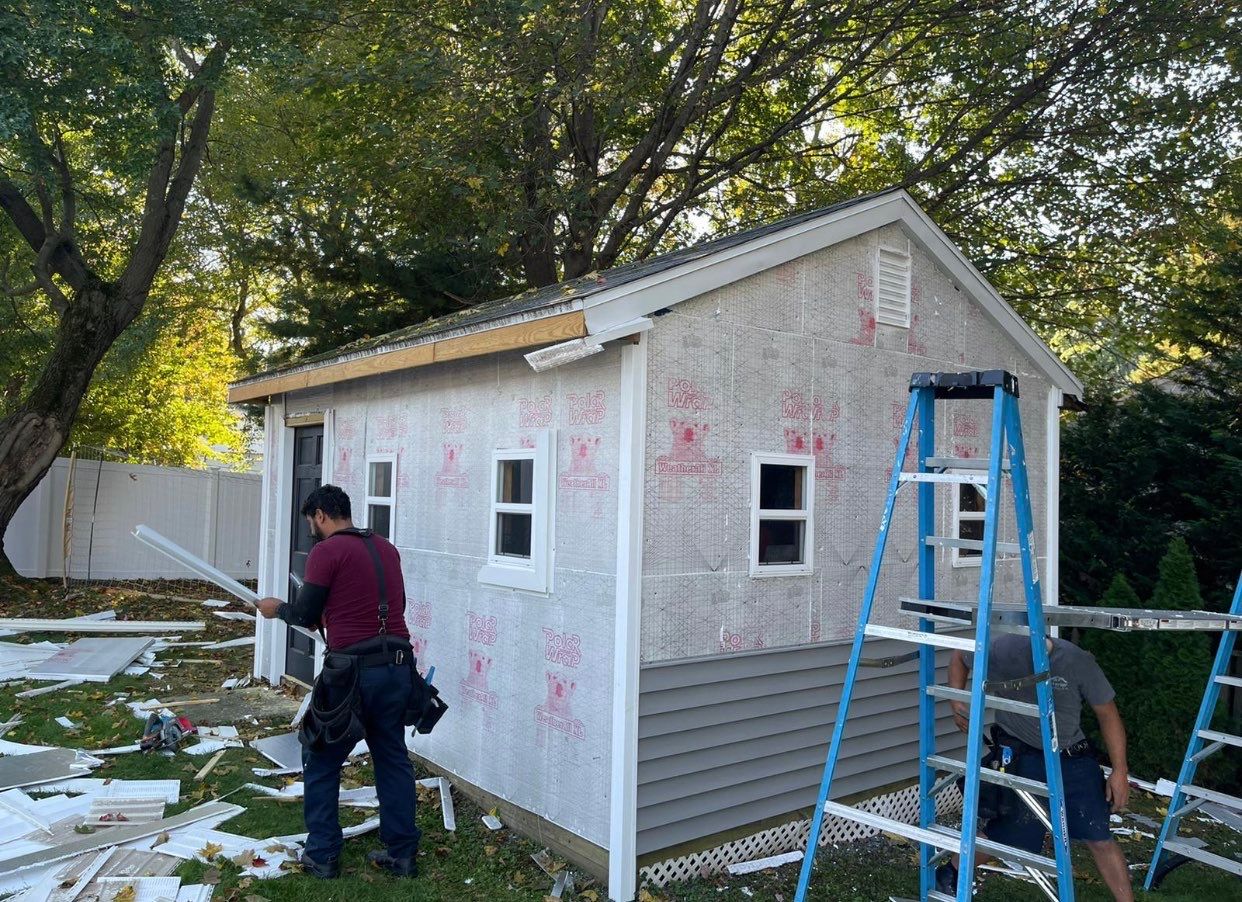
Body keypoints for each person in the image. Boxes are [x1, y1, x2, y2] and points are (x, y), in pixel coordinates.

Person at [257, 484, 420, 880]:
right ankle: (402, 854)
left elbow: (306, 612)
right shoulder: (386, 548)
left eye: (312, 521)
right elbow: (393, 607)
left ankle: (324, 854)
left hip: (352, 672)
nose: (312, 528)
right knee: (392, 758)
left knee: (321, 756)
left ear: (321, 516)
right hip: (398, 666)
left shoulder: (326, 551)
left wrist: (277, 608)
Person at [940, 634, 1133, 902]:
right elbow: (959, 656)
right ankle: (951, 872)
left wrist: (1120, 771)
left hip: (1072, 757)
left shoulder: (1076, 661)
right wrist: (956, 701)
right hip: (1022, 754)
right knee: (1011, 832)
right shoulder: (999, 650)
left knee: (1098, 834)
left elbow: (1108, 714)